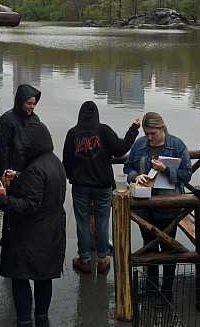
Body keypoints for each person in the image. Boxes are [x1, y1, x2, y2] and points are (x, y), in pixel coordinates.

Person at [0, 122, 66, 327]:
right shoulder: (54, 162)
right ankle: (42, 319)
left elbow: (30, 204)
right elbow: (41, 187)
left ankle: (24, 321)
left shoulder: (35, 169)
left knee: (19, 276)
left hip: (31, 235)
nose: (21, 150)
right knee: (43, 276)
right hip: (51, 231)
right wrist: (19, 177)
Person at [123, 112, 192, 308]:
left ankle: (167, 290)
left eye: (153, 133)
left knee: (169, 249)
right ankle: (151, 284)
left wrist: (166, 170)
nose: (149, 137)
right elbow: (127, 167)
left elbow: (187, 174)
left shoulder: (177, 145)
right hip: (144, 207)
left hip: (169, 208)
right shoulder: (139, 145)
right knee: (148, 246)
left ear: (163, 127)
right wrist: (135, 176)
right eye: (146, 133)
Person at [63, 101, 140, 274]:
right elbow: (121, 149)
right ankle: (103, 260)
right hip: (103, 185)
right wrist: (134, 129)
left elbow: (67, 161)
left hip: (80, 186)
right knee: (102, 222)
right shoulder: (104, 130)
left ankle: (84, 260)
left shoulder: (72, 133)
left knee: (82, 222)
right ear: (97, 115)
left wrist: (71, 177)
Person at [0, 83, 41, 179]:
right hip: (9, 168)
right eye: (29, 104)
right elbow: (2, 151)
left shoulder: (34, 119)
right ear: (20, 102)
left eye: (34, 104)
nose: (32, 107)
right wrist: (5, 173)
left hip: (27, 167)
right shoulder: (5, 122)